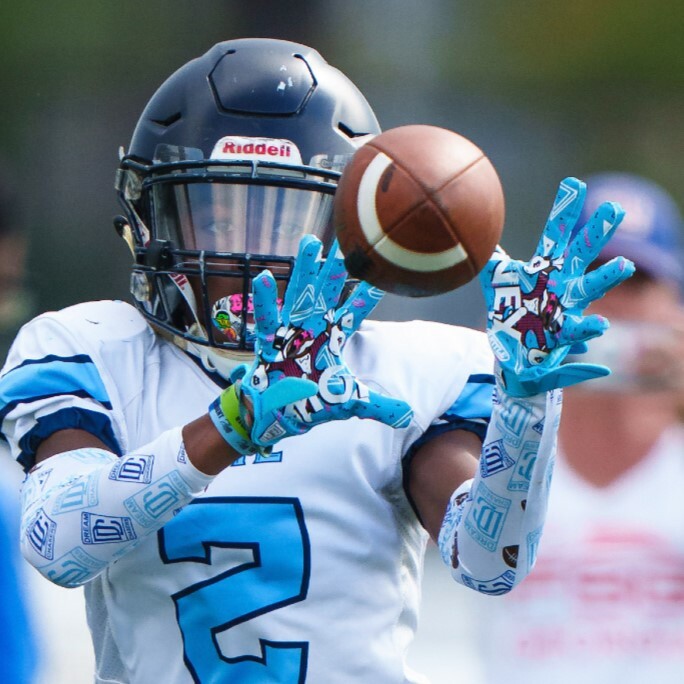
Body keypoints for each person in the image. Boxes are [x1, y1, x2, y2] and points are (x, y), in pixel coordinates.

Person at [0, 39, 633, 684]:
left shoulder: (405, 371)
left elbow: (489, 564)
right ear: (152, 220)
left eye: (283, 223)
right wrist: (228, 425)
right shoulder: (92, 349)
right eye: (216, 219)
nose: (248, 258)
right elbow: (58, 543)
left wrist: (525, 405)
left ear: (353, 230)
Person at [473, 173, 684, 684]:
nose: (611, 304)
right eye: (591, 279)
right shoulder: (497, 442)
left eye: (634, 283)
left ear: (674, 308)